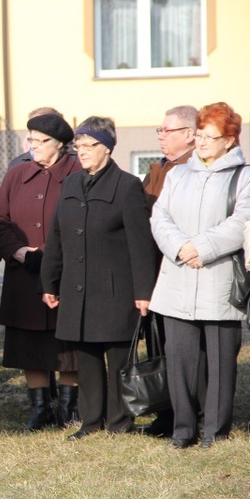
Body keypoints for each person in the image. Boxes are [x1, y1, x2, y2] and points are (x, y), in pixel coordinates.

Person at [40, 116, 158, 441]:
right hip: (77, 288)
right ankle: (91, 421)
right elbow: (57, 237)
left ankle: (119, 422)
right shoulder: (71, 184)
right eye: (78, 146)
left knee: (118, 358)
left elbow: (141, 245)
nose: (82, 152)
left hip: (116, 289)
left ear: (107, 148)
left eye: (89, 145)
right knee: (87, 357)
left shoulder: (127, 186)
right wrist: (49, 283)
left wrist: (143, 291)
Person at [150, 102, 249, 449]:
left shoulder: (244, 176)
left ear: (229, 139)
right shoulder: (178, 174)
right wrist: (179, 247)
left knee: (221, 363)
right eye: (201, 135)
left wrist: (200, 248)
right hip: (177, 278)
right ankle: (183, 430)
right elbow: (159, 217)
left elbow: (241, 223)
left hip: (218, 277)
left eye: (211, 136)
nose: (203, 142)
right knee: (179, 360)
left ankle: (215, 430)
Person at [0, 114, 80, 432]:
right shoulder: (16, 175)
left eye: (40, 141)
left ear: (60, 145)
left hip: (67, 274)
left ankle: (69, 407)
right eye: (31, 140)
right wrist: (18, 251)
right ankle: (40, 406)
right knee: (29, 342)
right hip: (24, 272)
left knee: (68, 341)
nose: (33, 146)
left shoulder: (78, 173)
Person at [140, 105, 198, 438]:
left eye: (167, 130)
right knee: (159, 346)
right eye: (159, 131)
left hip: (183, 266)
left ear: (190, 135)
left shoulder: (193, 169)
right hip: (154, 271)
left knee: (183, 350)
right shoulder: (160, 168)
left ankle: (189, 412)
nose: (161, 136)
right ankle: (166, 411)